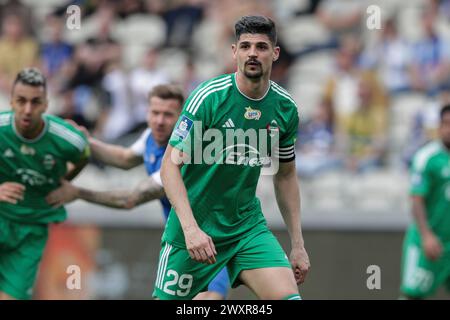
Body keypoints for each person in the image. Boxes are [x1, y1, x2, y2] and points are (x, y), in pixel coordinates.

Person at [155, 15, 310, 300]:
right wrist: (191, 230)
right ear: (234, 52)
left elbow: (285, 174)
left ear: (275, 54)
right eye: (246, 46)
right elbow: (169, 166)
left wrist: (298, 244)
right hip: (195, 230)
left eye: (262, 47)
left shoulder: (285, 108)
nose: (253, 53)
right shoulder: (209, 98)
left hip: (245, 228)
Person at [46, 84, 230, 300]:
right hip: (183, 243)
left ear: (182, 118)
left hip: (212, 242)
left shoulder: (183, 156)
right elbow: (124, 158)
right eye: (155, 113)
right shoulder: (151, 137)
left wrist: (78, 192)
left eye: (168, 115)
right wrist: (86, 141)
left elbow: (130, 199)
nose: (160, 121)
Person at [0, 68, 90, 300]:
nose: (27, 109)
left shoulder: (67, 139)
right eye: (21, 101)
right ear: (11, 102)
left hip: (32, 229)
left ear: (46, 104)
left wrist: (66, 182)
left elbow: (83, 154)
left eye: (35, 102)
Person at [400, 104, 450, 299]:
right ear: (439, 127)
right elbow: (416, 199)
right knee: (412, 295)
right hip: (429, 241)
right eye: (445, 123)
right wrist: (426, 235)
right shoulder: (426, 158)